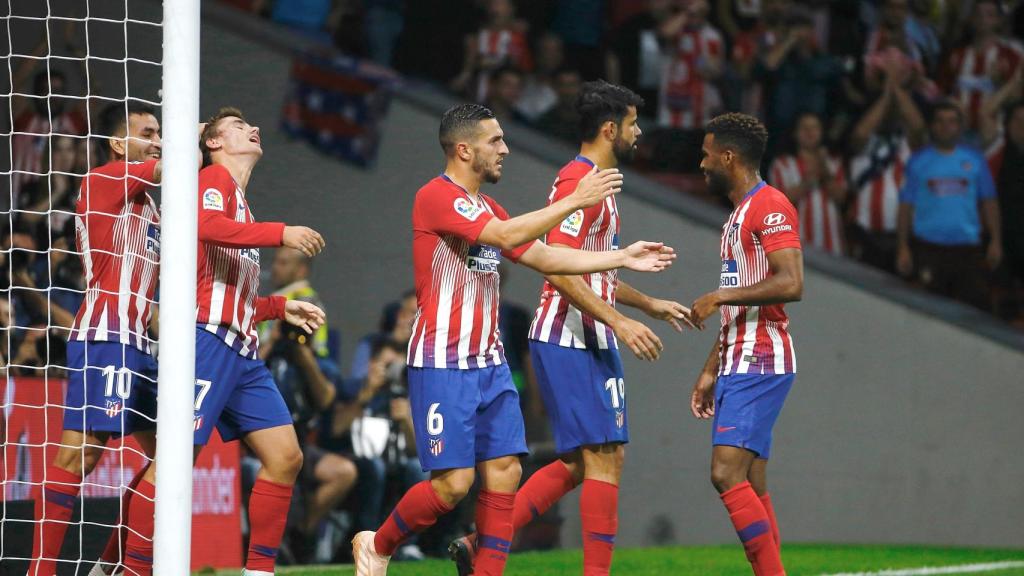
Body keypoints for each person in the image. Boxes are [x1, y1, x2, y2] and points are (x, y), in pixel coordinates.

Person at [350, 103, 676, 576]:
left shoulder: (488, 204)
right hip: (443, 362)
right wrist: (572, 202)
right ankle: (377, 544)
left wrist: (620, 257)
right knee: (452, 486)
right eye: (495, 141)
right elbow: (505, 235)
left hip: (491, 363)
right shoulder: (436, 196)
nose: (505, 149)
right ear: (464, 149)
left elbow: (545, 256)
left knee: (506, 475)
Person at [449, 81, 696, 576]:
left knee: (585, 463)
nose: (638, 132)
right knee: (606, 459)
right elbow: (558, 268)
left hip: (589, 334)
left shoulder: (599, 183)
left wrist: (646, 304)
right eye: (631, 124)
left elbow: (593, 272)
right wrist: (621, 321)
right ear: (611, 129)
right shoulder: (577, 183)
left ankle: (482, 543)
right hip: (569, 336)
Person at [120, 107, 328, 576]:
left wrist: (277, 307)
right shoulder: (213, 182)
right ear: (213, 144)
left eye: (251, 124)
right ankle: (128, 569)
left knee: (286, 457)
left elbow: (229, 293)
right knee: (174, 462)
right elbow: (206, 227)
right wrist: (282, 233)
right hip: (205, 342)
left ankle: (257, 572)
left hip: (242, 350)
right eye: (238, 126)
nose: (254, 127)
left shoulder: (240, 203)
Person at [27, 102, 163, 576]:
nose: (158, 140)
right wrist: (203, 136)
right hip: (105, 333)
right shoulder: (106, 177)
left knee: (173, 455)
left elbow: (149, 295)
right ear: (119, 143)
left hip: (141, 344)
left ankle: (109, 567)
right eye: (148, 133)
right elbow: (169, 166)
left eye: (161, 132)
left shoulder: (153, 209)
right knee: (79, 455)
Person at [689, 112, 804, 576]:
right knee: (752, 484)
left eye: (706, 153)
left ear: (728, 156)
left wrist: (719, 295)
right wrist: (711, 367)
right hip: (739, 356)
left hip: (761, 356)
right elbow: (742, 300)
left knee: (725, 473)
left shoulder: (770, 204)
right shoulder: (738, 215)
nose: (701, 163)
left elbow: (791, 281)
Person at [896, 101, 1002, 311]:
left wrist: (996, 240)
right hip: (929, 248)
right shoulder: (918, 161)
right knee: (927, 311)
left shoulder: (975, 160)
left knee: (973, 311)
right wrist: (903, 247)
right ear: (932, 126)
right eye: (941, 121)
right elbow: (905, 206)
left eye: (952, 121)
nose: (946, 126)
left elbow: (989, 201)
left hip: (966, 249)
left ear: (960, 126)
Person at [847, 69, 926, 272]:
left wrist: (895, 88)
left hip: (902, 238)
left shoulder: (908, 147)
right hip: (866, 234)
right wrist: (886, 96)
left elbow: (918, 128)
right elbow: (860, 133)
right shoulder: (865, 147)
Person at [769, 112, 847, 256]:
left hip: (832, 246)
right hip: (795, 247)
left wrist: (823, 168)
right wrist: (808, 182)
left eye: (814, 128)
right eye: (804, 128)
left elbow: (841, 198)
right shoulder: (782, 165)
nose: (810, 132)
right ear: (795, 133)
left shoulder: (834, 163)